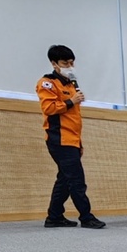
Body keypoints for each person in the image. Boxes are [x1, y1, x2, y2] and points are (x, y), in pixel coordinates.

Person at [36, 45, 105, 229]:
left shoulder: (71, 84)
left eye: (72, 62)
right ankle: (86, 217)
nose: (70, 65)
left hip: (72, 139)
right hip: (59, 139)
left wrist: (79, 143)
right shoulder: (47, 82)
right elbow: (49, 109)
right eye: (65, 62)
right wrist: (70, 101)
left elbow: (73, 118)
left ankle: (54, 217)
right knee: (76, 180)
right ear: (54, 63)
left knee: (65, 180)